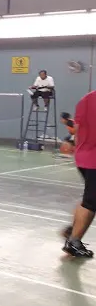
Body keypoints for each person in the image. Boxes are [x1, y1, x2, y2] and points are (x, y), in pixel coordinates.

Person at [60, 91, 96, 258]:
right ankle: (74, 242)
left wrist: (73, 143)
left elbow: (77, 129)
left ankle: (72, 230)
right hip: (94, 159)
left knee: (89, 198)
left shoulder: (85, 99)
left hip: (82, 157)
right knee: (90, 202)